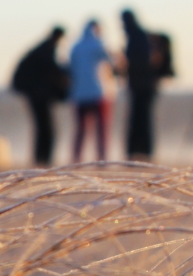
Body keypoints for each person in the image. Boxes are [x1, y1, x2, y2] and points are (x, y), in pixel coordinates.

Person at [11, 27, 68, 166]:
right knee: (46, 129)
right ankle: (44, 159)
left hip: (35, 95)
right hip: (39, 96)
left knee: (42, 128)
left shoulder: (41, 48)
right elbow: (53, 71)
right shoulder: (47, 51)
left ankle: (40, 158)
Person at [68, 20, 115, 163]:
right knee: (102, 129)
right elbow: (113, 62)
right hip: (99, 93)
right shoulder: (99, 45)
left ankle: (76, 159)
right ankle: (102, 159)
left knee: (81, 129)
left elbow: (70, 68)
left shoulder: (76, 47)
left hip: (79, 94)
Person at [121, 9, 158, 160]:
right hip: (141, 86)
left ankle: (141, 151)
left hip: (142, 86)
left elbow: (141, 62)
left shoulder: (137, 36)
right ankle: (138, 151)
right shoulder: (138, 35)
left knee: (141, 120)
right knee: (140, 119)